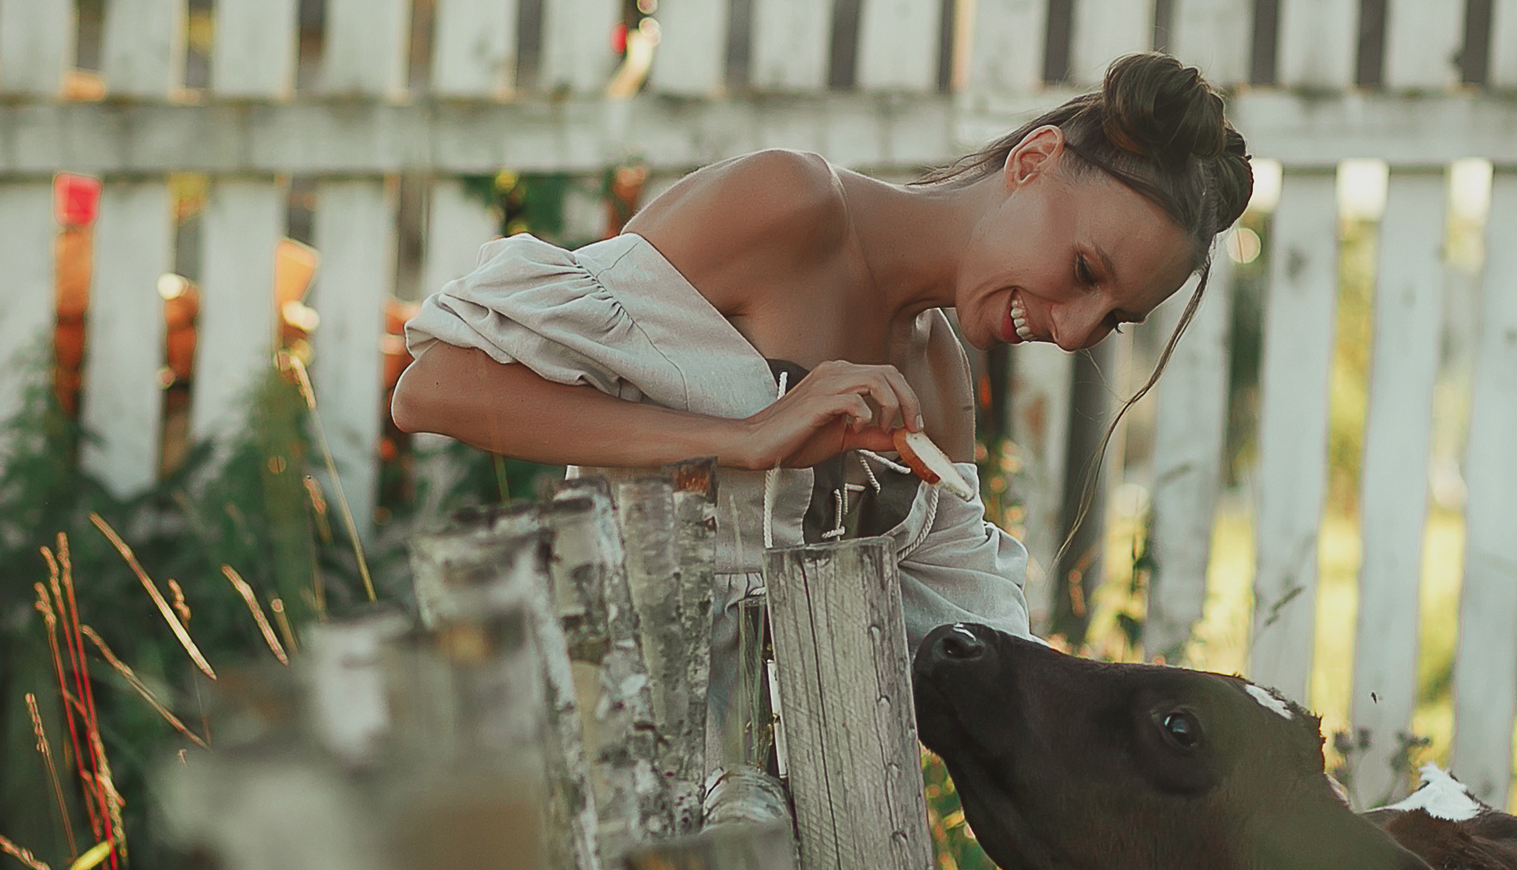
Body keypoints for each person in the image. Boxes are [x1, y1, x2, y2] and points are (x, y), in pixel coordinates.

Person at [397, 52, 1253, 638]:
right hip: (619, 763)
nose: (1072, 331)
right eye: (1084, 271)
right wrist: (741, 437)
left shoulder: (939, 376)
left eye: (1112, 319)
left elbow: (984, 644)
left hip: (807, 816)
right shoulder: (789, 205)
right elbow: (436, 386)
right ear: (1032, 160)